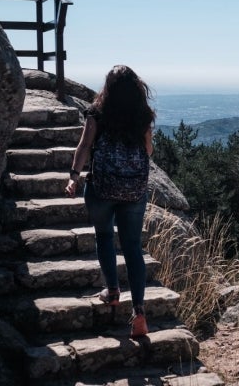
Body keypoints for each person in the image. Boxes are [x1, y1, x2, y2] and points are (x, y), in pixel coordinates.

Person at [65, 65, 155, 338]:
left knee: (104, 235)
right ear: (136, 88)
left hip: (101, 188)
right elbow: (148, 150)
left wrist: (73, 177)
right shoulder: (142, 115)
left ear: (108, 87)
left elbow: (84, 146)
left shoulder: (96, 113)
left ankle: (113, 291)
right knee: (132, 247)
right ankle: (139, 313)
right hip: (133, 191)